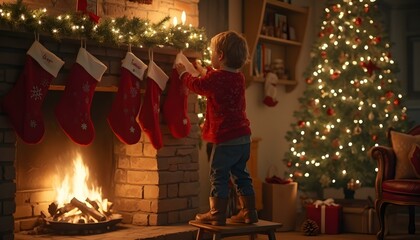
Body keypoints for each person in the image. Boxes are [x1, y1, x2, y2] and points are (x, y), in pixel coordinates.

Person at [175, 30, 258, 226]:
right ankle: (249, 212)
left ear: (220, 56)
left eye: (212, 52)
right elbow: (216, 81)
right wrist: (205, 70)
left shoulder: (216, 80)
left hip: (226, 138)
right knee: (241, 174)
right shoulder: (238, 78)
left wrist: (183, 74)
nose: (211, 55)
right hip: (244, 138)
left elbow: (198, 86)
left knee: (218, 175)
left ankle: (217, 213)